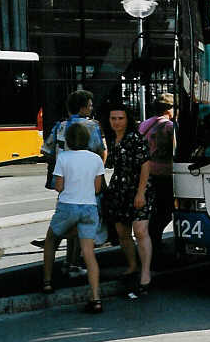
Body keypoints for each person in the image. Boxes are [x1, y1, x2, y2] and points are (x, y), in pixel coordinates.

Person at [36, 90, 108, 276]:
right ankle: (73, 263)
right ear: (83, 107)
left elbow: (46, 150)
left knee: (65, 221)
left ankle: (60, 268)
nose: (91, 108)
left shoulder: (60, 126)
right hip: (86, 184)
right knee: (81, 227)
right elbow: (101, 151)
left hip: (64, 183)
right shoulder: (92, 126)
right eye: (90, 105)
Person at [41, 122, 106, 313]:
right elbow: (97, 188)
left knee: (51, 240)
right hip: (89, 207)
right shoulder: (96, 159)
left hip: (68, 206)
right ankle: (95, 298)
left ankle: (47, 282)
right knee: (88, 253)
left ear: (68, 140)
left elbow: (59, 186)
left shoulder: (64, 158)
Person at [103, 105, 155, 295]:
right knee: (121, 230)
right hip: (119, 188)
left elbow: (145, 165)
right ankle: (133, 266)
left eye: (120, 118)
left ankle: (146, 273)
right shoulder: (111, 139)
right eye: (113, 118)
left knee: (140, 230)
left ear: (127, 120)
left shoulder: (135, 138)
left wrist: (140, 193)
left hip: (138, 187)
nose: (116, 122)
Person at [139, 93, 175, 262]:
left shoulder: (145, 124)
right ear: (169, 109)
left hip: (147, 173)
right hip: (165, 173)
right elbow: (174, 149)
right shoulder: (168, 126)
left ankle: (152, 241)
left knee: (154, 209)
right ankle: (155, 241)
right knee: (166, 210)